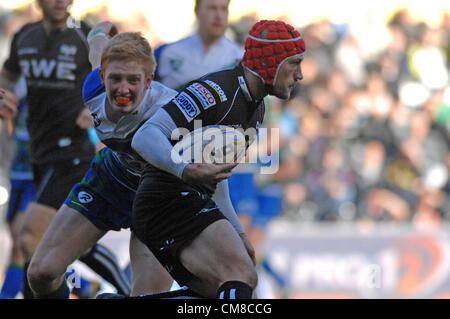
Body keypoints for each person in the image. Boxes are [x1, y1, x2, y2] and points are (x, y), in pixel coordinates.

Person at [29, 24, 253, 299]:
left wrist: (238, 231)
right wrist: (98, 33)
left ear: (149, 81)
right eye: (115, 79)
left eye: (133, 80)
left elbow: (212, 181)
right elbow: (97, 51)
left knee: (143, 297)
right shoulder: (94, 89)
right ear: (102, 76)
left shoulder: (172, 114)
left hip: (157, 200)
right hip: (109, 181)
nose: (123, 88)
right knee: (40, 274)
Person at [131, 19, 306, 299]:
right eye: (294, 63)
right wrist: (184, 169)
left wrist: (238, 232)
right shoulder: (214, 91)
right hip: (166, 201)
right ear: (271, 62)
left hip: (188, 200)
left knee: (220, 291)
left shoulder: (257, 109)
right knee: (241, 275)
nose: (300, 75)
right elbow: (145, 135)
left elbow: (217, 179)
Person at [0, 0, 130, 298]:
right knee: (66, 244)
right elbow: (8, 76)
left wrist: (99, 107)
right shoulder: (25, 36)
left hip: (73, 151)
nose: (62, 2)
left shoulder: (82, 33)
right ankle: (102, 288)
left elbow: (118, 72)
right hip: (40, 152)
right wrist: (3, 95)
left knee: (30, 235)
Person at [155, 0, 242, 91]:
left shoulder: (239, 59)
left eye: (224, 9)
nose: (219, 16)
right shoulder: (167, 52)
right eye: (212, 8)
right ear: (197, 10)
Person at [0, 79, 34, 299]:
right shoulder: (16, 82)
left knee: (23, 241)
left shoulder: (57, 82)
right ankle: (85, 287)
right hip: (16, 174)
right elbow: (11, 128)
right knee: (18, 245)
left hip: (38, 176)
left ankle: (7, 295)